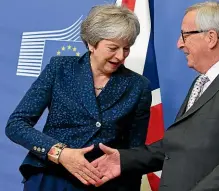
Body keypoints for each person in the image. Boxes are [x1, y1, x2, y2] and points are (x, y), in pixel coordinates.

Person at [91, 1, 219, 191]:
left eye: (185, 35)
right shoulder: (204, 81)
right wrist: (123, 160)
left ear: (211, 38)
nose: (179, 43)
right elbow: (178, 145)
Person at [5, 4, 152, 191]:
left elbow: (133, 153)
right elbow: (16, 125)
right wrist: (60, 153)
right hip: (51, 176)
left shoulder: (139, 86)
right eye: (113, 48)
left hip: (103, 183)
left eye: (126, 49)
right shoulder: (60, 68)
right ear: (91, 43)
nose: (120, 56)